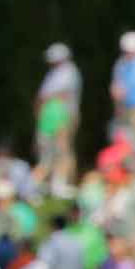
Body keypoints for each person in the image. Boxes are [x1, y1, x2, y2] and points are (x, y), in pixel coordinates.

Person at [36, 42, 82, 189]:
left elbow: (58, 96)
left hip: (63, 116)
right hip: (50, 118)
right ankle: (51, 183)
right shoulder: (53, 73)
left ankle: (62, 183)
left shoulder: (69, 73)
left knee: (63, 150)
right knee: (49, 153)